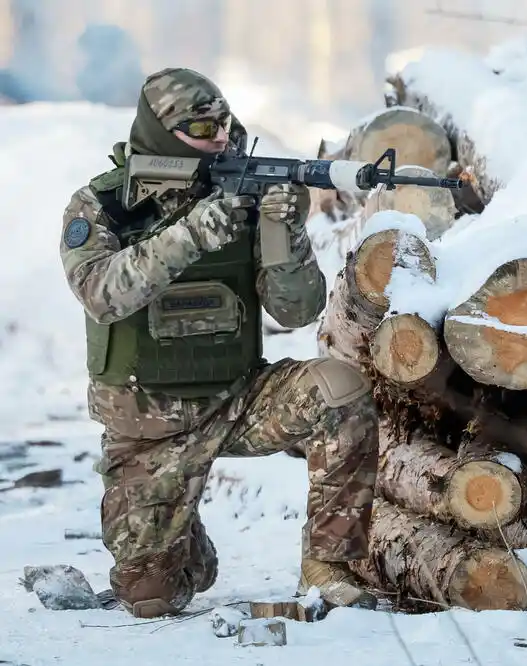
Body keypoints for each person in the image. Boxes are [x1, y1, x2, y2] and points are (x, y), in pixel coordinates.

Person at [58, 67, 379, 619]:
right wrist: (194, 232)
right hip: (147, 427)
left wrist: (285, 234)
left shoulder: (242, 195)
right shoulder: (101, 206)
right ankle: (180, 534)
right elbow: (102, 294)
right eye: (203, 129)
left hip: (236, 400)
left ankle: (330, 569)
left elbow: (297, 310)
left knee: (339, 390)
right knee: (155, 595)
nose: (222, 140)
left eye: (226, 125)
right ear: (161, 134)